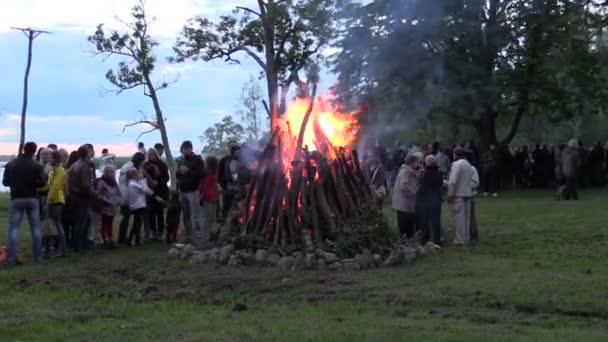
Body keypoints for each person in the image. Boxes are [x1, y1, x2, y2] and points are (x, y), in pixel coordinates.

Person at [2, 142, 46, 266]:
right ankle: (38, 257)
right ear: (34, 151)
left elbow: (5, 182)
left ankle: (10, 259)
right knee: (36, 228)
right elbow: (43, 183)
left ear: (23, 149)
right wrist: (33, 183)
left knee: (14, 229)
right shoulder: (36, 166)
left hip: (16, 198)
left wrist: (15, 184)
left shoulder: (11, 164)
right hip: (32, 199)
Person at [68, 145, 98, 253]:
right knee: (82, 221)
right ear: (87, 153)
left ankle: (78, 244)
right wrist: (95, 194)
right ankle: (80, 246)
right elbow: (85, 185)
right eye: (90, 151)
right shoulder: (84, 166)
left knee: (79, 221)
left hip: (74, 196)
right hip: (81, 197)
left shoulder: (75, 164)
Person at [176, 141, 205, 244]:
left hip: (193, 190)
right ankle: (188, 235)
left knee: (196, 214)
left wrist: (188, 171)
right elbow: (177, 175)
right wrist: (179, 172)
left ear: (191, 149)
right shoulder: (181, 160)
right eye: (184, 149)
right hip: (183, 191)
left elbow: (201, 174)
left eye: (187, 149)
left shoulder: (197, 159)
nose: (185, 151)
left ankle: (199, 235)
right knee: (186, 215)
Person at [446, 147, 475, 245]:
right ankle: (466, 238)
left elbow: (453, 181)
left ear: (456, 154)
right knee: (467, 217)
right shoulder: (468, 164)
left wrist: (449, 194)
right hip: (467, 192)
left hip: (458, 194)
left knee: (459, 218)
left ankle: (459, 239)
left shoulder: (456, 164)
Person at [117, 152, 146, 245]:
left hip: (125, 194)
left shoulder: (127, 166)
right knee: (128, 217)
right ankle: (125, 238)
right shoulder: (132, 169)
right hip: (129, 195)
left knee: (129, 218)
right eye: (142, 161)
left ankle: (126, 238)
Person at [143, 148, 170, 240]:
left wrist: (159, 179)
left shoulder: (162, 164)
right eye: (149, 154)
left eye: (153, 154)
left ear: (156, 154)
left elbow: (166, 178)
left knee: (160, 212)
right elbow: (142, 178)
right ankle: (152, 232)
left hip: (161, 190)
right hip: (150, 192)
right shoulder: (145, 165)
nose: (151, 156)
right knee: (151, 212)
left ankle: (160, 232)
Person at [417, 155, 444, 246]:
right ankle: (436, 240)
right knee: (436, 221)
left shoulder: (422, 173)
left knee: (424, 221)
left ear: (426, 162)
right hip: (436, 199)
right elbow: (440, 186)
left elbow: (419, 184)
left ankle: (424, 240)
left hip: (424, 199)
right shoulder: (440, 173)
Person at [392, 154, 420, 239]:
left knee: (409, 222)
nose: (418, 163)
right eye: (417, 162)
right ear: (412, 162)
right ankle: (405, 239)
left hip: (407, 202)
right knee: (404, 223)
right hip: (403, 202)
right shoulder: (405, 171)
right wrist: (414, 192)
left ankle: (409, 238)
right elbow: (404, 185)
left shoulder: (410, 171)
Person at [46, 150, 68, 257]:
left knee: (58, 225)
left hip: (57, 200)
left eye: (51, 158)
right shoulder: (53, 170)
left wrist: (49, 200)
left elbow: (56, 186)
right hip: (53, 200)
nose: (49, 160)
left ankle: (62, 250)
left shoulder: (60, 170)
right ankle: (53, 249)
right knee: (53, 225)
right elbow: (49, 185)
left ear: (56, 159)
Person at [126, 168, 154, 246]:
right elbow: (145, 190)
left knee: (137, 223)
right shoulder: (133, 184)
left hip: (137, 205)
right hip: (137, 206)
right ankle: (131, 240)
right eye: (139, 174)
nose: (140, 175)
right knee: (136, 224)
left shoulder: (132, 183)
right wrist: (142, 180)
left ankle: (137, 240)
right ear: (134, 175)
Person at [97, 166, 121, 248]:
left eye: (112, 172)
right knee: (104, 223)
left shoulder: (114, 182)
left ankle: (111, 239)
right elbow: (98, 194)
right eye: (109, 172)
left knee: (110, 223)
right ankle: (105, 240)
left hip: (113, 206)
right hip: (105, 206)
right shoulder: (102, 182)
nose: (111, 173)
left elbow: (118, 192)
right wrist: (105, 200)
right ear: (105, 172)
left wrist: (118, 200)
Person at [218, 140, 239, 224]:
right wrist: (221, 185)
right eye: (231, 147)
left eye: (235, 147)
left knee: (237, 207)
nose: (233, 149)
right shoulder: (224, 160)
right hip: (227, 187)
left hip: (238, 188)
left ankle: (235, 222)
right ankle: (223, 223)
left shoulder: (240, 159)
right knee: (226, 206)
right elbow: (219, 174)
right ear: (228, 148)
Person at [200, 156, 220, 241]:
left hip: (212, 197)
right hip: (208, 198)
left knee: (210, 218)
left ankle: (209, 235)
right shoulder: (207, 173)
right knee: (207, 218)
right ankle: (205, 237)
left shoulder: (212, 173)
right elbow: (205, 186)